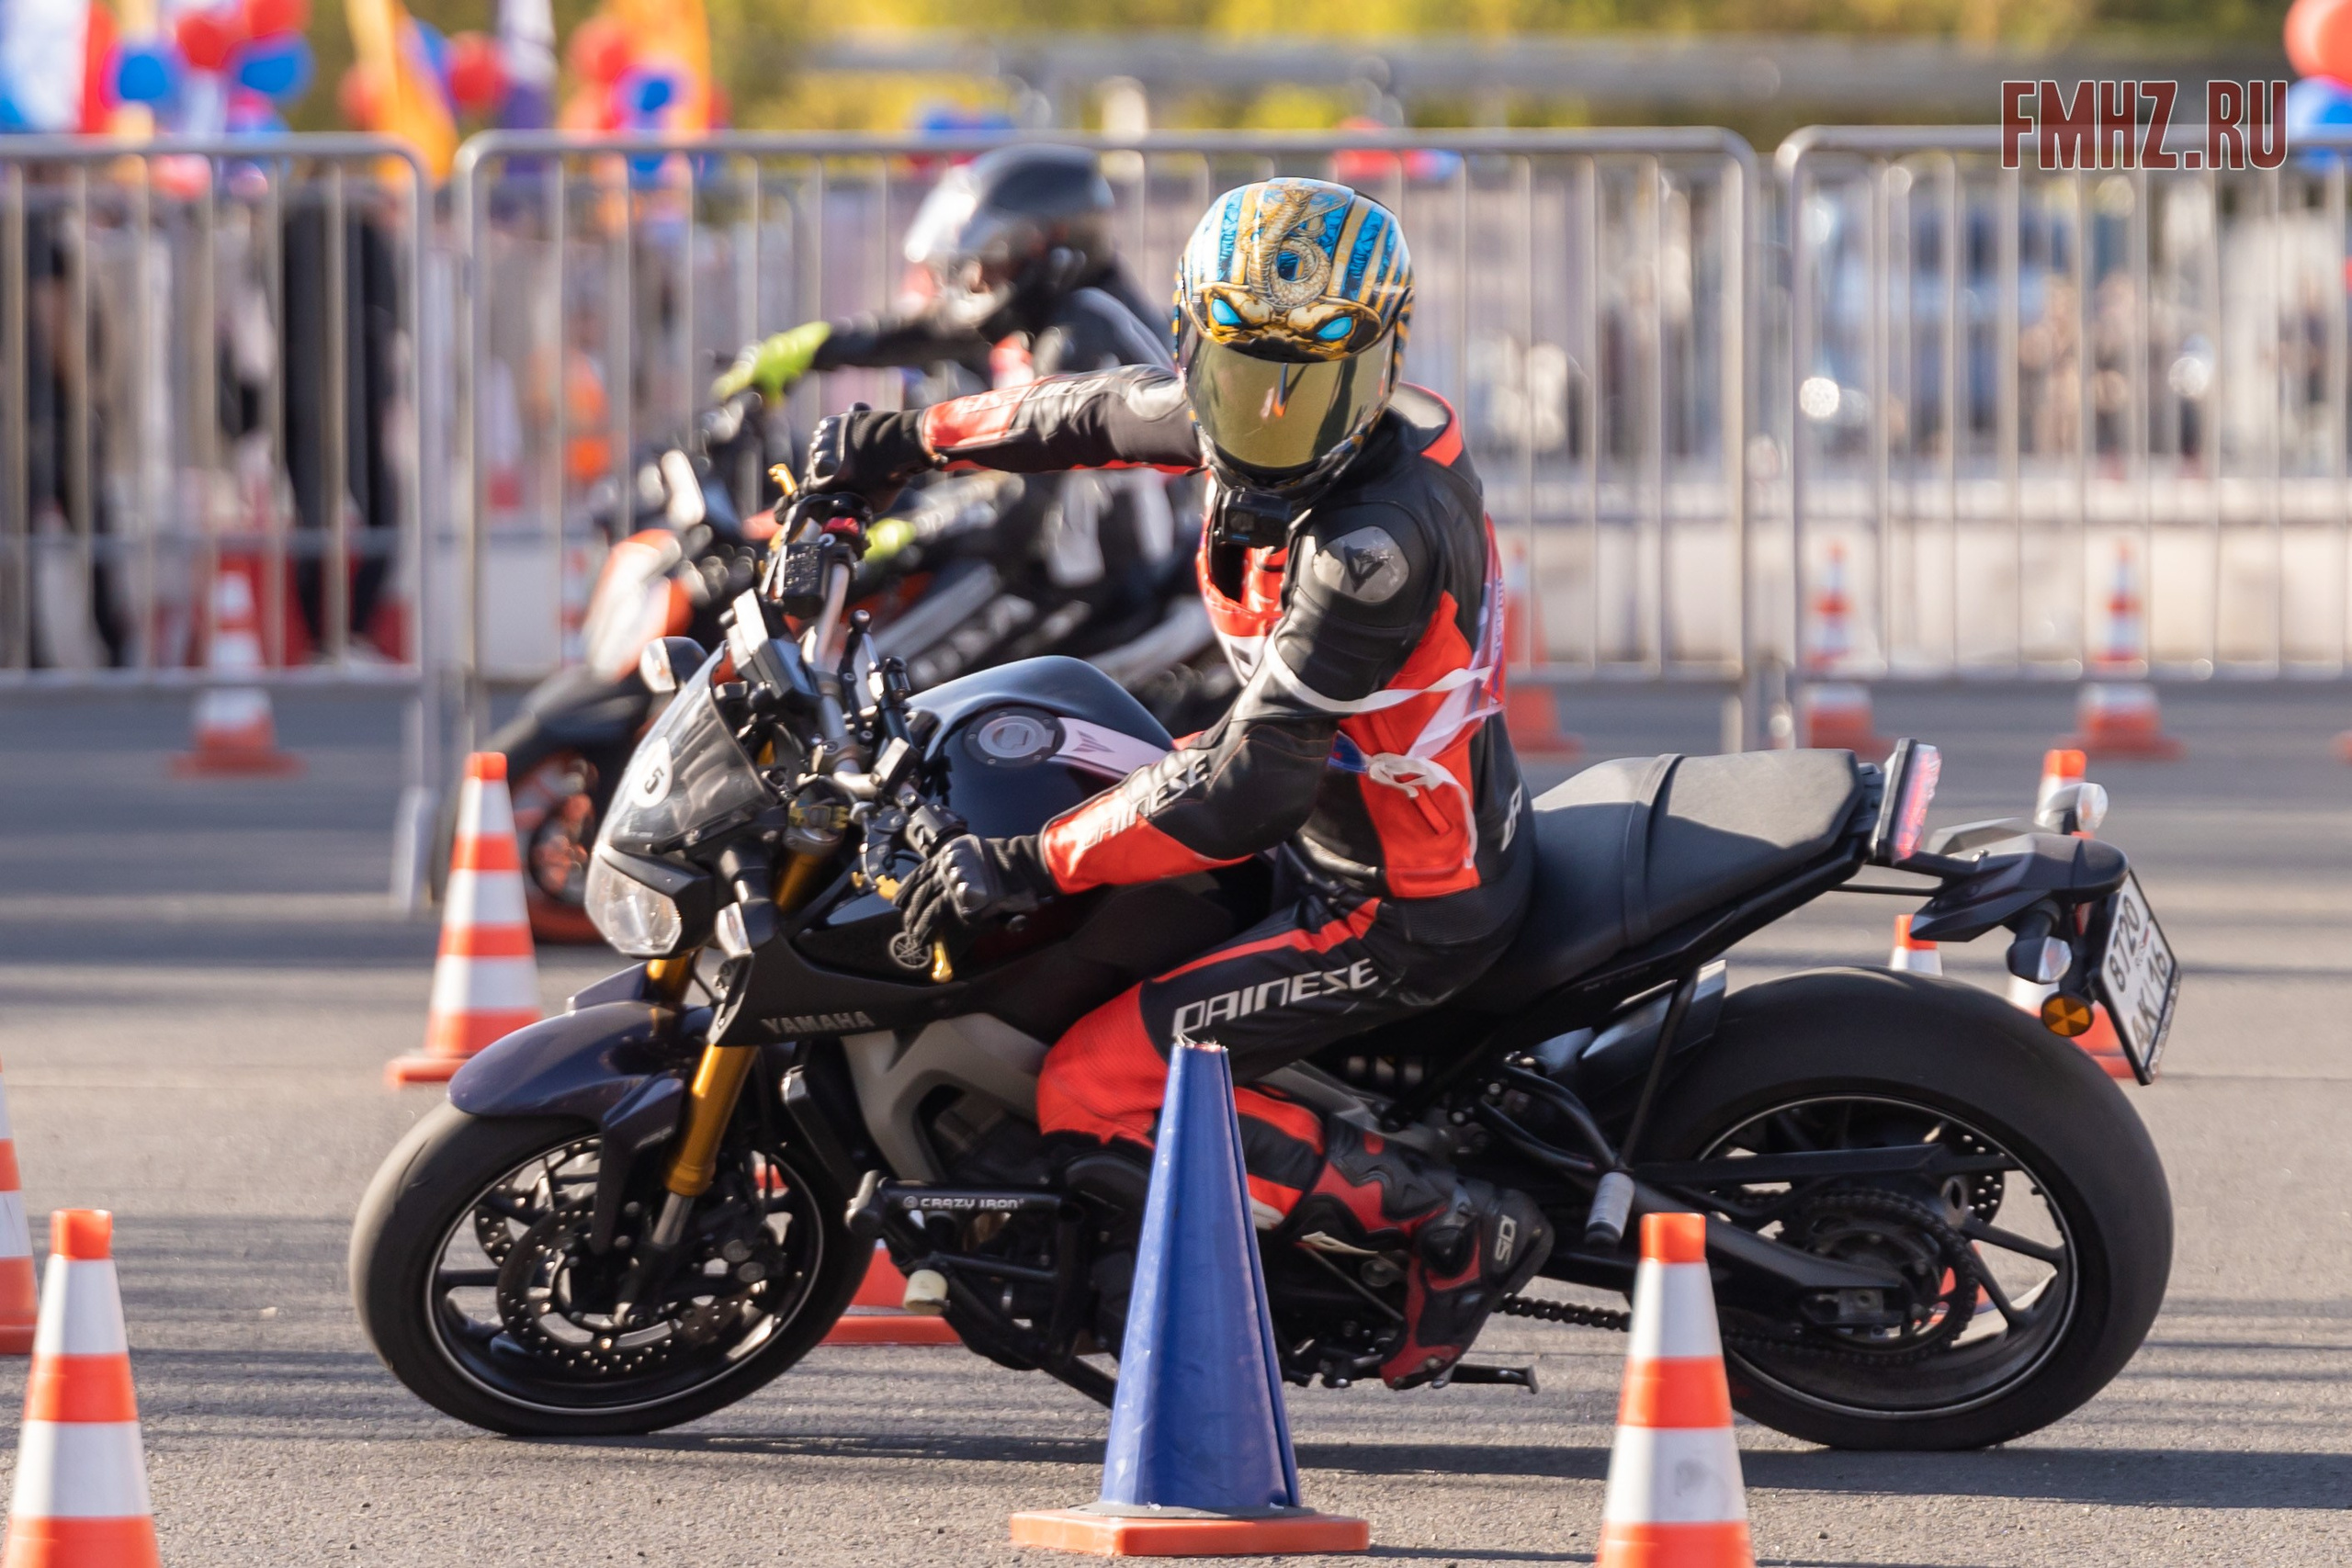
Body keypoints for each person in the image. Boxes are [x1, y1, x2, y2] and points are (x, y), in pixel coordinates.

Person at [800, 176, 1551, 1391]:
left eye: (1308, 379)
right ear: (1195, 341)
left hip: (1401, 896)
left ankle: (1439, 1216)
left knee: (1097, 1082)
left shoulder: (1371, 544)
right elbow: (1081, 408)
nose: (1269, 414)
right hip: (1334, 827)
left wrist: (1030, 860)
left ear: (1380, 360)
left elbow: (1246, 784)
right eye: (1242, 368)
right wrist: (901, 440)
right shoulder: (1232, 412)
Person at [717, 144, 1183, 677]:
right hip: (1052, 561)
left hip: (1097, 585)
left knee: (897, 686)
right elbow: (933, 330)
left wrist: (905, 532)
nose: (977, 281)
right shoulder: (1059, 307)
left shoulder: (1085, 333)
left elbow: (1022, 501)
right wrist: (812, 348)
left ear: (1049, 248)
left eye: (991, 264)